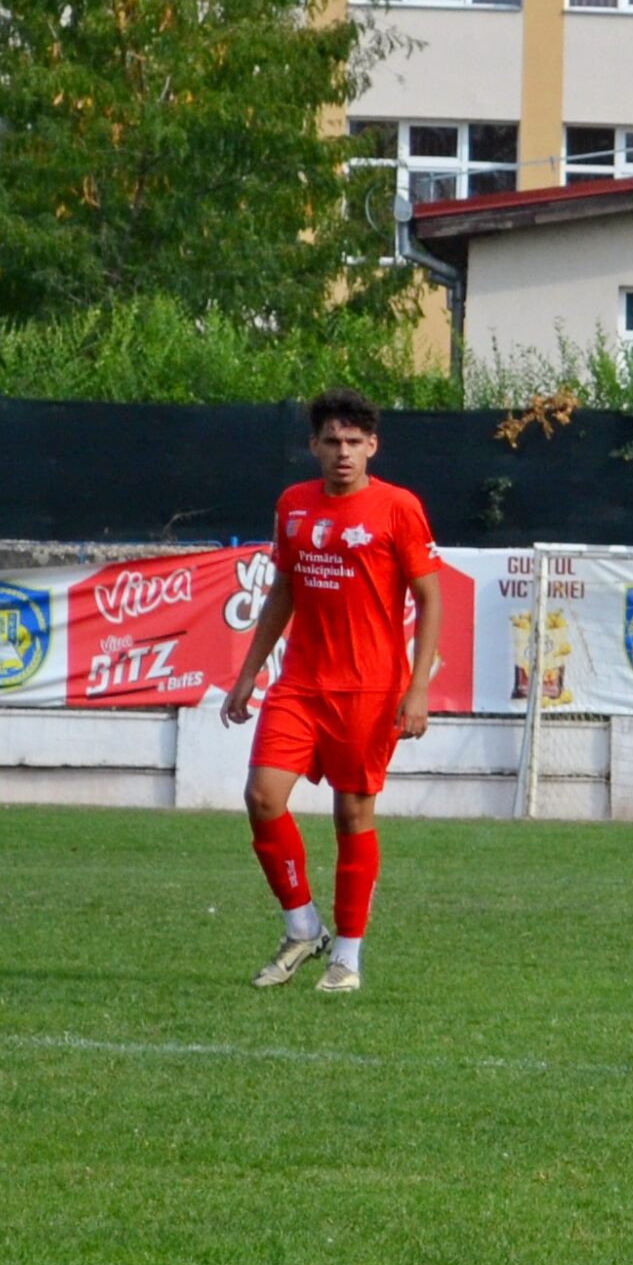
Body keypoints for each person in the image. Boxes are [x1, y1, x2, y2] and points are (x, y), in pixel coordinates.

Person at [222, 389, 442, 995]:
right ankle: (302, 926)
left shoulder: (398, 508)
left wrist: (417, 688)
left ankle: (347, 954)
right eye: (332, 441)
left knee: (352, 813)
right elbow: (284, 591)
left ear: (372, 446)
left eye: (354, 442)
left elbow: (429, 599)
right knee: (262, 797)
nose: (343, 452)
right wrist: (248, 674)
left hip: (371, 688)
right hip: (300, 684)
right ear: (314, 446)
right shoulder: (294, 505)